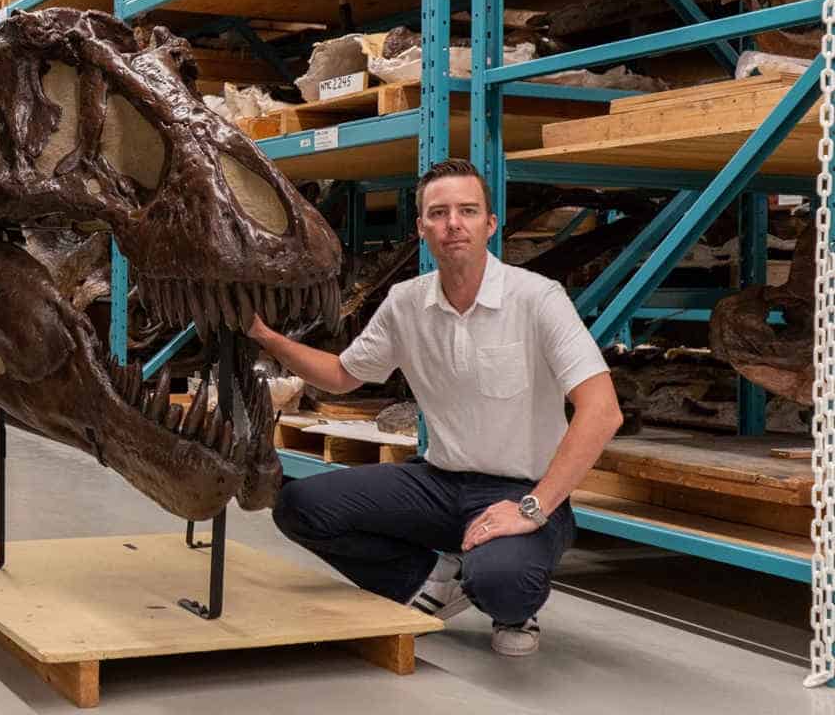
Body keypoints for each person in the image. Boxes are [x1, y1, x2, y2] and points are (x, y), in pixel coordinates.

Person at [246, 158, 623, 657]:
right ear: (421, 226)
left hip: (522, 490)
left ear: (490, 224)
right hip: (438, 483)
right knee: (300, 507)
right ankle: (430, 579)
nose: (453, 224)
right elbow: (342, 375)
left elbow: (602, 410)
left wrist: (533, 508)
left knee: (502, 586)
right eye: (439, 213)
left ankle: (510, 601)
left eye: (467, 211)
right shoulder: (407, 303)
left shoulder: (536, 298)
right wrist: (264, 336)